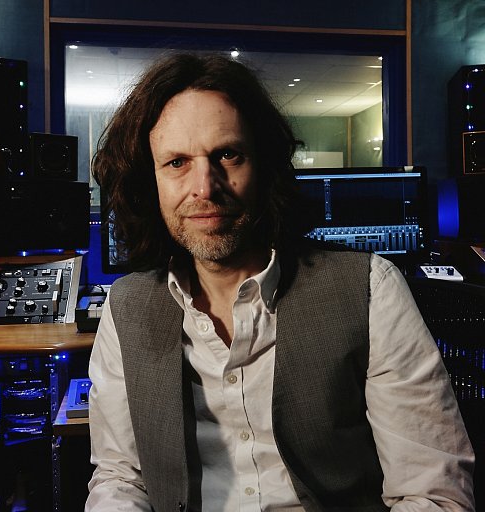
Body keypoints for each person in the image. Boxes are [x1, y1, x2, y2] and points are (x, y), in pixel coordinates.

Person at [85, 53, 475, 512]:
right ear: (148, 182)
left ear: (265, 165)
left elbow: (433, 495)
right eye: (176, 162)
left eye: (228, 154)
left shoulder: (372, 289)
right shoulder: (125, 308)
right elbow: (120, 478)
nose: (205, 187)